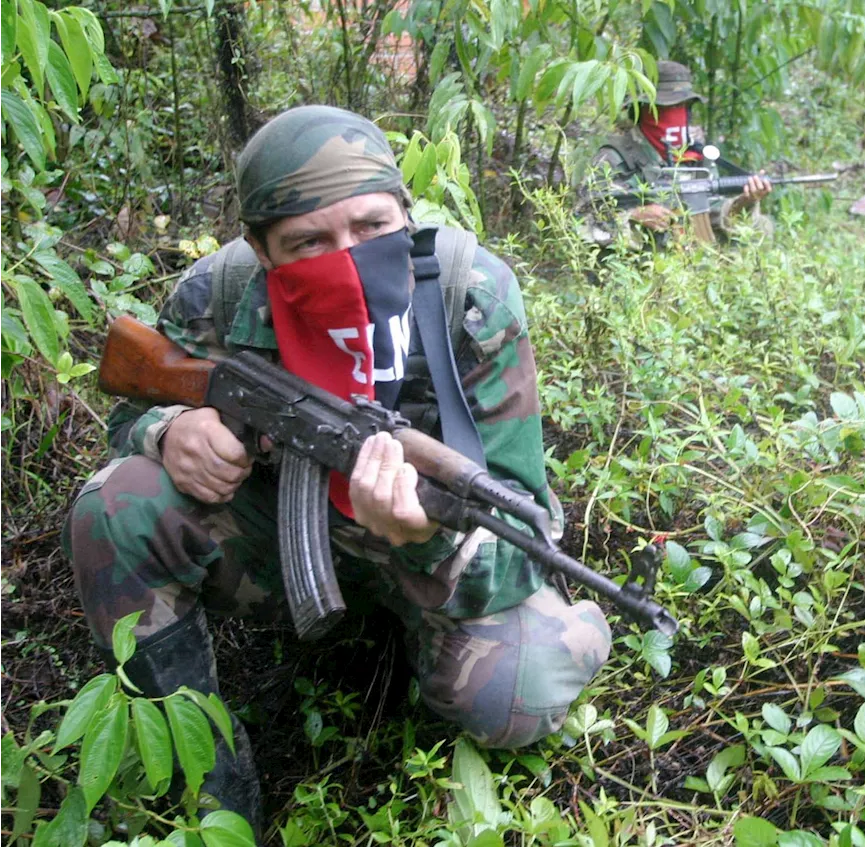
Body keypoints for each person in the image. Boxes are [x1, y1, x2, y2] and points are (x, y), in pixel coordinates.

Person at [62, 105, 612, 834]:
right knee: (111, 504)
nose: (347, 255)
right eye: (308, 242)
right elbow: (129, 408)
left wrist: (424, 535)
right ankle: (209, 790)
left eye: (372, 226)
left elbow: (520, 526)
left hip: (438, 561)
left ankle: (574, 627)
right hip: (283, 548)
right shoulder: (219, 295)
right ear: (260, 249)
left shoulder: (466, 294)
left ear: (405, 211)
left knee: (517, 694)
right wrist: (170, 431)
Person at [585, 60, 773, 244]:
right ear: (640, 110)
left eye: (681, 106)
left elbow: (715, 217)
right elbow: (583, 222)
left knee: (761, 228)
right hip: (635, 267)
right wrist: (634, 216)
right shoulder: (614, 158)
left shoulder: (696, 157)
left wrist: (745, 202)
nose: (674, 115)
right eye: (663, 108)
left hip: (690, 265)